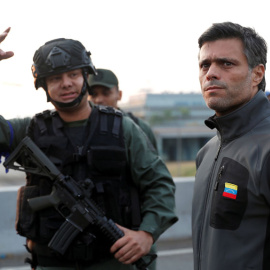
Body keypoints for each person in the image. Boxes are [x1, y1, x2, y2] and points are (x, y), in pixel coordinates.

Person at [0, 29, 178, 270]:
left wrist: (147, 234)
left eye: (73, 74)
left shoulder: (122, 128)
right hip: (52, 263)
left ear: (86, 76)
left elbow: (159, 184)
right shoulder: (29, 130)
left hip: (114, 263)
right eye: (55, 78)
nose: (66, 83)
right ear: (43, 86)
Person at [192, 21, 270, 270]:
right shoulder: (206, 153)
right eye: (205, 64)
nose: (211, 73)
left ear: (257, 74)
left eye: (226, 63)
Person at [87, 69, 158, 150]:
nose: (99, 99)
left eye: (106, 93)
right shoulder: (81, 125)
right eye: (93, 94)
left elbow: (151, 161)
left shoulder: (139, 127)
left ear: (119, 95)